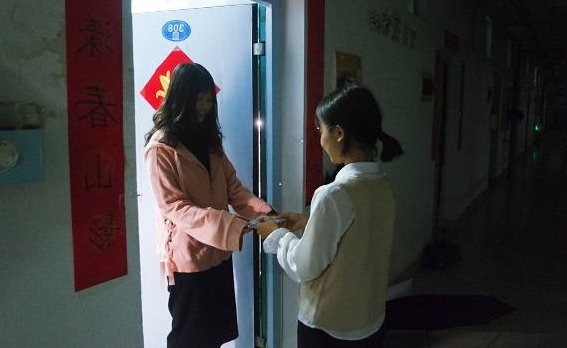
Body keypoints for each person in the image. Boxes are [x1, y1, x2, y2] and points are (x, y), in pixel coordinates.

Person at [257, 86, 404, 348]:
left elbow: (304, 266)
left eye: (320, 130)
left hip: (328, 329)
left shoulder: (334, 194)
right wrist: (310, 223)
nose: (320, 140)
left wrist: (277, 235)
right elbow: (357, 239)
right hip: (369, 321)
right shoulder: (383, 185)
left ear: (338, 133)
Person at [144, 63, 277, 348]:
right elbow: (175, 207)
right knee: (189, 339)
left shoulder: (209, 141)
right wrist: (231, 225)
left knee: (215, 335)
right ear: (182, 98)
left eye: (209, 99)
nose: (205, 106)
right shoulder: (161, 148)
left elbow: (233, 189)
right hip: (188, 260)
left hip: (218, 254)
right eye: (199, 99)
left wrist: (268, 215)